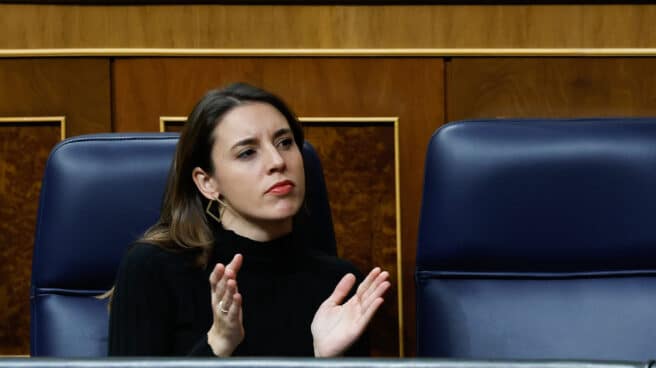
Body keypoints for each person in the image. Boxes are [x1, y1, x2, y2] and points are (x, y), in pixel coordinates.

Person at [108, 82, 391, 357]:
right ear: (207, 182)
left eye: (284, 142)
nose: (277, 161)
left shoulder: (340, 284)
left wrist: (327, 363)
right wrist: (217, 345)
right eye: (247, 152)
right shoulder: (153, 269)